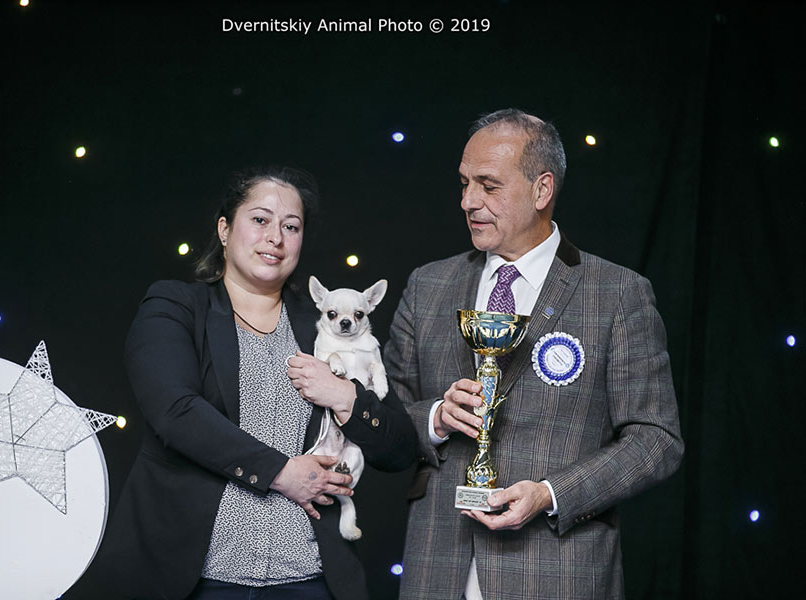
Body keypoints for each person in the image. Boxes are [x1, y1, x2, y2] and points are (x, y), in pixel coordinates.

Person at [384, 109, 684, 599]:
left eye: (488, 185)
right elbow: (386, 418)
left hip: (557, 574)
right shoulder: (427, 286)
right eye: (464, 183)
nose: (468, 201)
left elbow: (656, 440)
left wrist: (551, 493)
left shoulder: (617, 293)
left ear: (542, 190)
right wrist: (436, 418)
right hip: (437, 569)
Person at [98, 166, 417, 600]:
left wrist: (345, 396)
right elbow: (175, 412)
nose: (275, 238)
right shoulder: (175, 306)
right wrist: (282, 472)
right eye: (260, 219)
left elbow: (400, 448)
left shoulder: (325, 324)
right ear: (225, 229)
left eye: (291, 226)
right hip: (198, 579)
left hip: (309, 579)